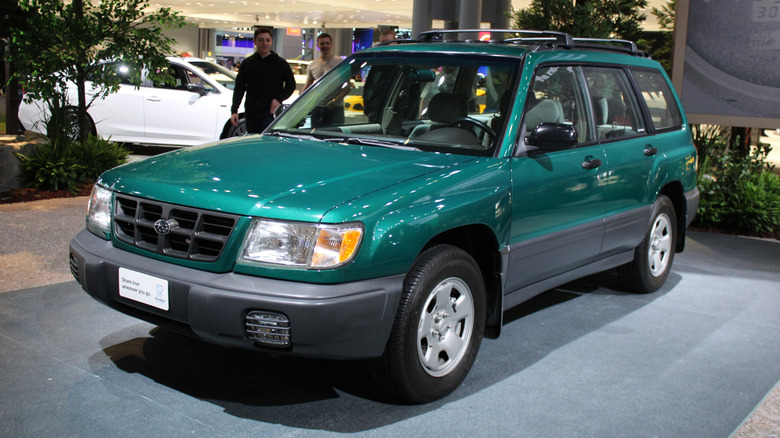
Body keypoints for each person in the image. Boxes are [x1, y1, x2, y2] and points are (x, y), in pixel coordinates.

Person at [231, 27, 295, 134]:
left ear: (271, 41)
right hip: (251, 112)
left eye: (268, 40)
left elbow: (291, 85)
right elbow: (239, 88)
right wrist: (234, 110)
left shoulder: (280, 63)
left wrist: (279, 99)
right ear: (255, 41)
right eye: (261, 40)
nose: (265, 43)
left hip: (270, 112)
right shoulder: (247, 63)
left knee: (265, 139)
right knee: (253, 140)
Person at [304, 33, 345, 127]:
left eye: (327, 43)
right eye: (322, 43)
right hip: (317, 107)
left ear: (331, 45)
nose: (325, 46)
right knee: (316, 134)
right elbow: (308, 87)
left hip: (336, 108)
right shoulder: (312, 65)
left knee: (336, 134)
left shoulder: (340, 63)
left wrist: (336, 100)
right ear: (317, 45)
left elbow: (347, 85)